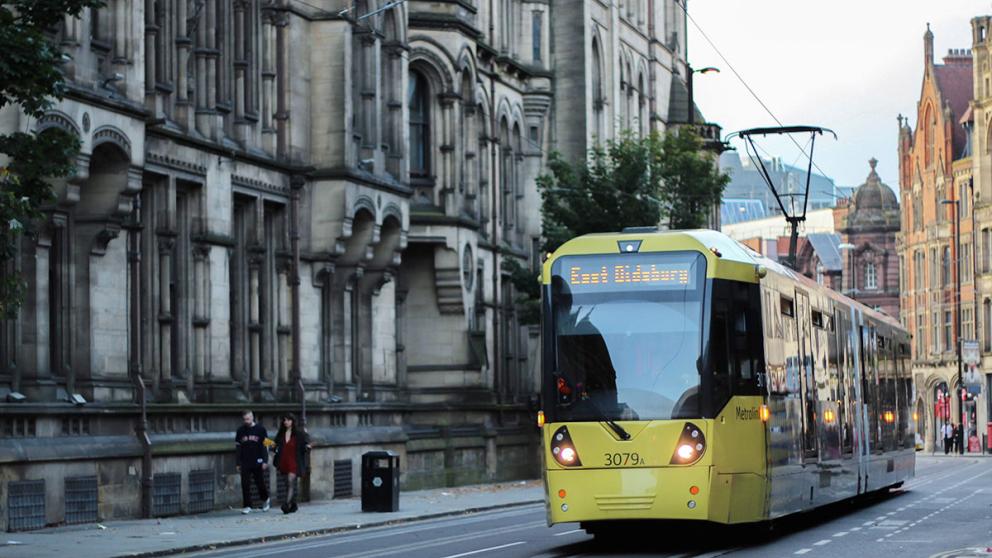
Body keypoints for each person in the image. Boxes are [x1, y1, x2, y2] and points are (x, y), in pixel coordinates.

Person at [273, 413, 310, 514]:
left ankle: (286, 505)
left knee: (290, 482)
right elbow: (274, 444)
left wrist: (307, 447)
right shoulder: (281, 433)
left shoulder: (299, 433)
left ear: (292, 421)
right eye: (284, 420)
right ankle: (294, 505)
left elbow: (306, 443)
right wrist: (263, 441)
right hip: (283, 461)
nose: (286, 422)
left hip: (294, 462)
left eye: (288, 420)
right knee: (287, 484)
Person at [235, 410, 270, 514]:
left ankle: (265, 499)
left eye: (248, 419)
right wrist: (237, 462)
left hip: (258, 460)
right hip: (245, 461)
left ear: (252, 417)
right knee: (245, 484)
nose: (246, 421)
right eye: (245, 419)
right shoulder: (240, 430)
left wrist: (265, 460)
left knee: (260, 482)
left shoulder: (261, 429)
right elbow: (238, 448)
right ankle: (247, 505)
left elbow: (266, 446)